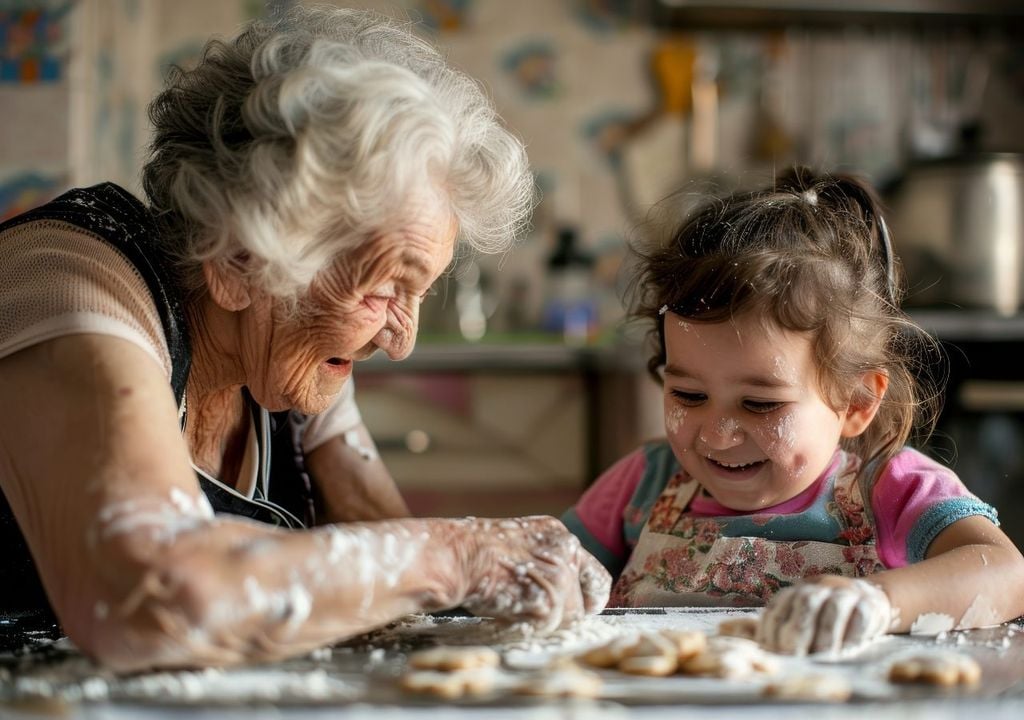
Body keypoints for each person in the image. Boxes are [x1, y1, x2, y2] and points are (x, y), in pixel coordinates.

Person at [0, 6, 610, 672]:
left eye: (418, 293)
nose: (399, 343)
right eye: (382, 291)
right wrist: (459, 553)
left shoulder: (286, 345)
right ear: (239, 261)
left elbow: (380, 553)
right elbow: (153, 600)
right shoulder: (70, 278)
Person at [561, 166, 1024, 655]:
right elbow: (549, 571)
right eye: (689, 396)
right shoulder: (642, 486)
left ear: (857, 402)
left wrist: (880, 601)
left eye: (760, 404)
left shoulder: (888, 487)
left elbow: (1006, 572)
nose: (717, 435)